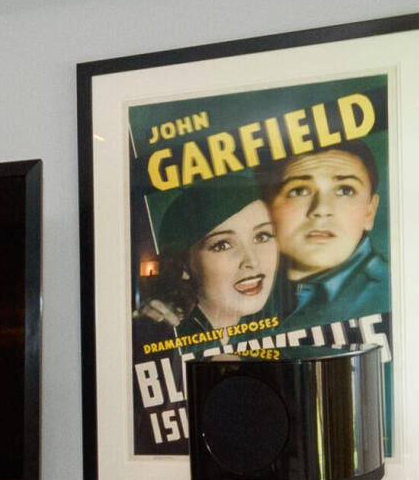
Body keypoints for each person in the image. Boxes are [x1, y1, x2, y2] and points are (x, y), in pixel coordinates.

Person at [137, 180, 282, 348]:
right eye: (222, 245)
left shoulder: (273, 333)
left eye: (262, 236)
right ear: (183, 266)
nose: (252, 261)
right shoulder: (164, 336)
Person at [263, 139, 389, 328]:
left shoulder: (392, 293)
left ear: (370, 211)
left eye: (345, 190)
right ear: (266, 207)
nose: (321, 209)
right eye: (299, 190)